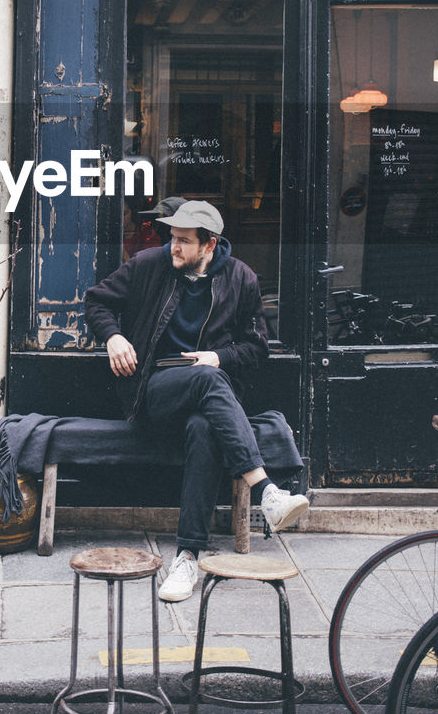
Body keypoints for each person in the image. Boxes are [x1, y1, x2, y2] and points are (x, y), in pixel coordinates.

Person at [84, 199, 308, 602]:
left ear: (209, 245)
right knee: (206, 382)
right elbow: (96, 301)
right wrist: (113, 336)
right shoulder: (148, 265)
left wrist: (218, 357)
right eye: (172, 238)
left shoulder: (241, 279)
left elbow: (258, 349)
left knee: (206, 428)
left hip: (211, 402)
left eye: (184, 241)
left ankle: (186, 557)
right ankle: (266, 491)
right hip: (155, 389)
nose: (174, 247)